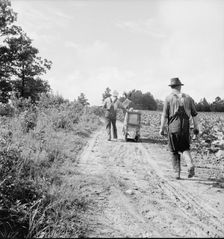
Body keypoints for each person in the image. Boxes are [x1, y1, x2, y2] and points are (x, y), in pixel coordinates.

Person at [159, 77, 199, 179]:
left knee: (174, 150)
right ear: (180, 87)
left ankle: (177, 173)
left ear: (171, 87)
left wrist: (161, 128)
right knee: (185, 148)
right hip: (185, 128)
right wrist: (196, 128)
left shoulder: (168, 98)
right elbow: (194, 115)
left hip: (173, 128)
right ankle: (190, 165)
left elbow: (164, 115)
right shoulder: (188, 98)